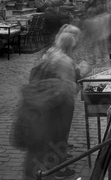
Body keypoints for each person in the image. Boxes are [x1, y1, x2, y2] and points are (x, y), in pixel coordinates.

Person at [18, 33, 80, 180]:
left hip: (40, 105)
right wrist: (80, 75)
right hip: (55, 107)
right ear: (70, 45)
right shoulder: (64, 61)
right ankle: (57, 170)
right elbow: (69, 88)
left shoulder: (50, 54)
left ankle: (35, 173)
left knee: (40, 144)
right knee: (57, 139)